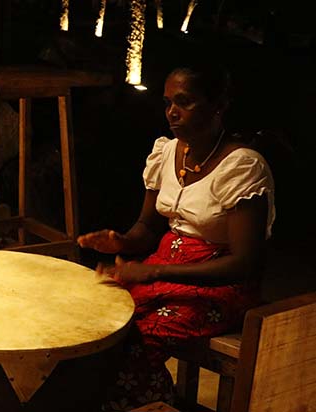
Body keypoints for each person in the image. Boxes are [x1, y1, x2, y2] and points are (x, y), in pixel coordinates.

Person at [77, 63, 275, 411]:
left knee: (137, 339)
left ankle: (148, 403)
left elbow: (244, 263)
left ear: (218, 105)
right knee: (100, 320)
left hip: (221, 287)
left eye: (184, 102)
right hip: (167, 266)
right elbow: (147, 228)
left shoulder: (242, 167)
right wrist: (122, 242)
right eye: (168, 102)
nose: (172, 112)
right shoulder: (167, 152)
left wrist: (155, 271)